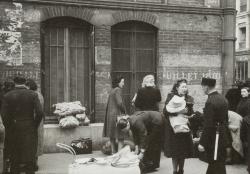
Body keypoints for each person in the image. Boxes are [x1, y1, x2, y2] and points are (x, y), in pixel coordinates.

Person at [1, 76, 44, 174]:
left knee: (14, 160)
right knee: (29, 159)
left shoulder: (8, 96)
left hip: (13, 130)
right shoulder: (33, 95)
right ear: (25, 83)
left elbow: (3, 115)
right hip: (29, 129)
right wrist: (34, 125)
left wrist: (9, 126)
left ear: (14, 82)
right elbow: (40, 112)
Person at [198, 77, 231, 174]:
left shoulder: (210, 101)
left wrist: (202, 142)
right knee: (218, 162)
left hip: (214, 136)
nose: (202, 89)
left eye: (202, 87)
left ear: (206, 87)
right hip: (222, 134)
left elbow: (208, 124)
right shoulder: (223, 98)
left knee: (214, 162)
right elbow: (226, 119)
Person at [163, 79, 194, 174]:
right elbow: (165, 111)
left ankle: (181, 170)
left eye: (186, 86)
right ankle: (174, 171)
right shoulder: (171, 97)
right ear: (177, 88)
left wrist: (190, 114)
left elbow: (190, 111)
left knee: (183, 151)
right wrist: (178, 111)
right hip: (173, 128)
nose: (185, 88)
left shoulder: (188, 98)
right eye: (182, 87)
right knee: (175, 151)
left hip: (184, 127)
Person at [103, 76, 126, 154]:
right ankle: (119, 155)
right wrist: (124, 111)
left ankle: (113, 152)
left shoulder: (112, 90)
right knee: (121, 136)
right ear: (118, 83)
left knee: (112, 135)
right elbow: (120, 103)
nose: (124, 84)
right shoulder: (118, 90)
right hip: (117, 115)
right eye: (122, 82)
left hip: (110, 115)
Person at [25, 79, 44, 171]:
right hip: (37, 122)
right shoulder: (38, 94)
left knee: (34, 142)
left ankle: (34, 163)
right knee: (36, 142)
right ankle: (34, 162)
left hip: (34, 121)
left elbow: (37, 111)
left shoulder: (35, 95)